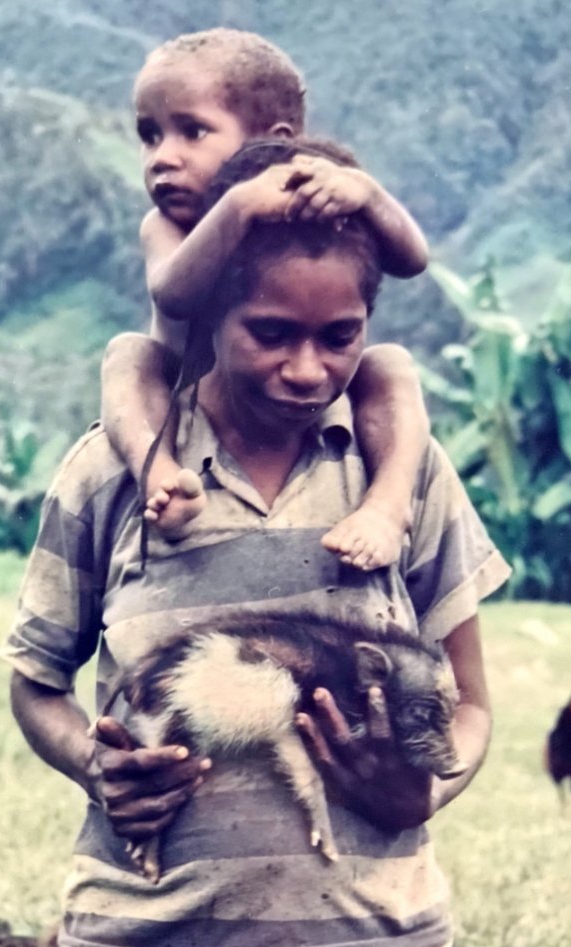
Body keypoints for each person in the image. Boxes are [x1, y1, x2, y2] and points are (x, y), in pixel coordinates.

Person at [0, 141, 511, 947]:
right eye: (270, 331)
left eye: (342, 338)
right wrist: (93, 757)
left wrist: (429, 778)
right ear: (209, 311)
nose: (307, 367)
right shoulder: (122, 474)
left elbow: (476, 706)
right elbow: (35, 684)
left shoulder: (401, 472)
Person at [101, 27, 431, 569]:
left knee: (391, 367)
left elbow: (412, 261)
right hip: (186, 405)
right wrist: (236, 209)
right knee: (128, 357)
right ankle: (159, 477)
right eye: (151, 135)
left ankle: (388, 508)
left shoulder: (304, 211)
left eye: (192, 132)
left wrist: (367, 195)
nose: (163, 157)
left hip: (288, 406)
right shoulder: (166, 227)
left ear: (271, 140)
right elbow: (173, 294)